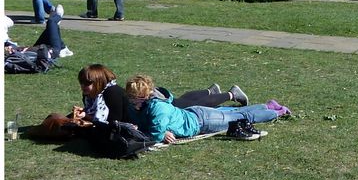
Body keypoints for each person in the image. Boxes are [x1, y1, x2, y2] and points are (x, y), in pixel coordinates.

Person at [124, 74, 287, 143]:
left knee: (242, 117)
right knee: (236, 112)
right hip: (196, 114)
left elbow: (154, 134)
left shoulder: (157, 107)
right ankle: (268, 105)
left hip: (202, 121)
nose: (132, 101)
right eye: (130, 97)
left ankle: (276, 111)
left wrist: (161, 133)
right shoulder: (138, 106)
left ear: (146, 96)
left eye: (135, 98)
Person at [76, 65, 251, 125]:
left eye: (88, 83)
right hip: (149, 97)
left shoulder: (110, 93)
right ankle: (210, 91)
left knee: (188, 106)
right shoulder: (96, 94)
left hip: (152, 102)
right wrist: (85, 113)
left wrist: (88, 119)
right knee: (182, 100)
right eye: (82, 83)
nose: (84, 86)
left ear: (99, 81)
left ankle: (231, 94)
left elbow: (109, 120)